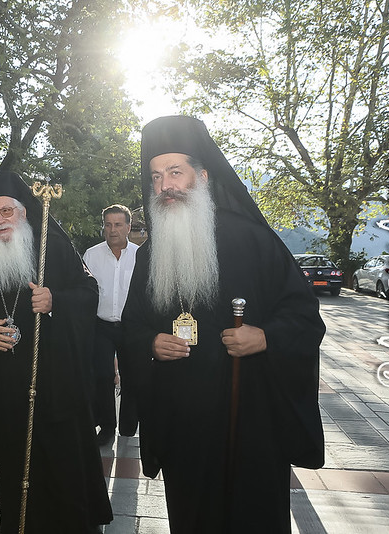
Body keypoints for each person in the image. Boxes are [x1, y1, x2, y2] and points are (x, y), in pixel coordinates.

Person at [120, 116, 325, 533]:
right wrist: (151, 342)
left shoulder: (254, 240)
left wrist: (265, 337)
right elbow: (131, 326)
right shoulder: (150, 254)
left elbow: (305, 318)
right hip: (184, 429)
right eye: (156, 176)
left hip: (250, 422)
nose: (165, 186)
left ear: (204, 175)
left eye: (176, 172)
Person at [0, 170, 112, 534]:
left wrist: (57, 300)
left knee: (63, 475)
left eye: (6, 212)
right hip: (6, 390)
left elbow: (89, 292)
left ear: (23, 212)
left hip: (57, 386)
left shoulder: (51, 246)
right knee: (16, 477)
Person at [82, 204, 139, 445]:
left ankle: (128, 427)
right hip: (101, 325)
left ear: (128, 227)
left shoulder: (140, 255)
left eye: (118, 224)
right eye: (108, 224)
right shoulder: (91, 256)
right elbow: (84, 293)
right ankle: (106, 427)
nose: (112, 230)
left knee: (132, 376)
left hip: (132, 326)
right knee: (103, 375)